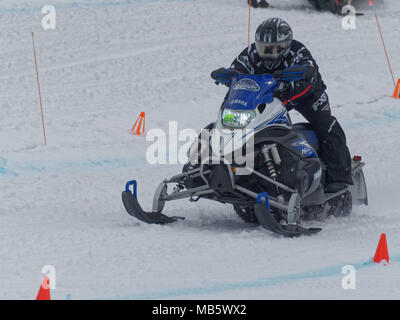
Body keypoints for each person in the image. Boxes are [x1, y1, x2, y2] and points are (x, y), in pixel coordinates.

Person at [211, 18, 353, 192]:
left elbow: (308, 69)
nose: (269, 53)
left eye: (275, 49)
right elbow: (238, 70)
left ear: (286, 45)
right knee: (233, 124)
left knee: (326, 126)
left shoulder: (298, 51)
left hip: (305, 93)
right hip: (270, 93)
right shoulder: (251, 53)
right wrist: (228, 75)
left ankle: (340, 179)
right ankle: (209, 166)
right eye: (264, 48)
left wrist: (299, 73)